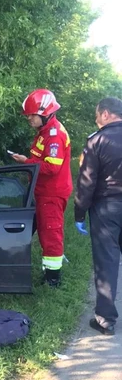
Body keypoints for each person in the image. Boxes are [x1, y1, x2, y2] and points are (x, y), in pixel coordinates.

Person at [10, 89, 72, 287]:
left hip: (51, 193)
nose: (28, 118)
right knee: (45, 232)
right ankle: (48, 273)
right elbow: (41, 160)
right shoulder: (44, 132)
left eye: (31, 115)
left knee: (51, 233)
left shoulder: (54, 135)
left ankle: (53, 280)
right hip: (43, 192)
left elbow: (52, 167)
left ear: (45, 112)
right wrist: (27, 161)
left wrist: (26, 162)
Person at [74, 97, 122, 336]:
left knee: (107, 262)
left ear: (105, 114)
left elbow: (87, 182)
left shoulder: (97, 140)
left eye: (96, 115)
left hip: (107, 208)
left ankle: (105, 321)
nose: (95, 119)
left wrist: (79, 213)